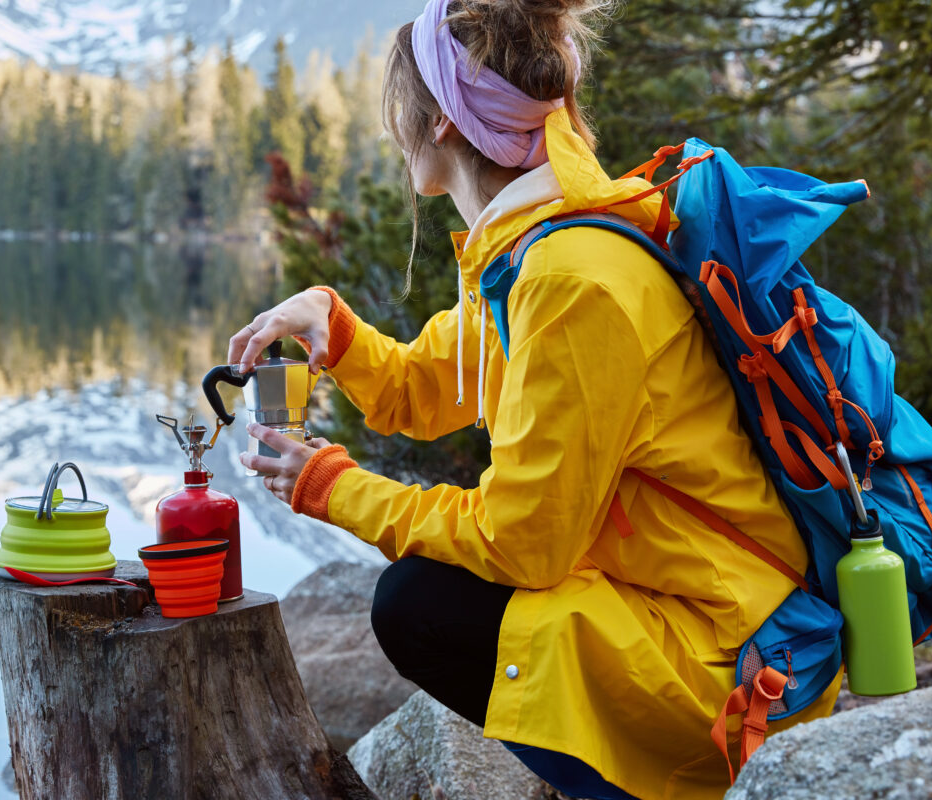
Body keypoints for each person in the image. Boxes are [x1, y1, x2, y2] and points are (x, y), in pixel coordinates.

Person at [228, 1, 841, 797]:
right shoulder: (536, 245)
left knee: (418, 605)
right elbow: (425, 388)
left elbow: (524, 545)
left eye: (403, 108)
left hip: (737, 661)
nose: (397, 129)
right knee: (433, 590)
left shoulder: (567, 279)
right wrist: (336, 330)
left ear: (444, 123)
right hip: (692, 603)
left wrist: (335, 489)